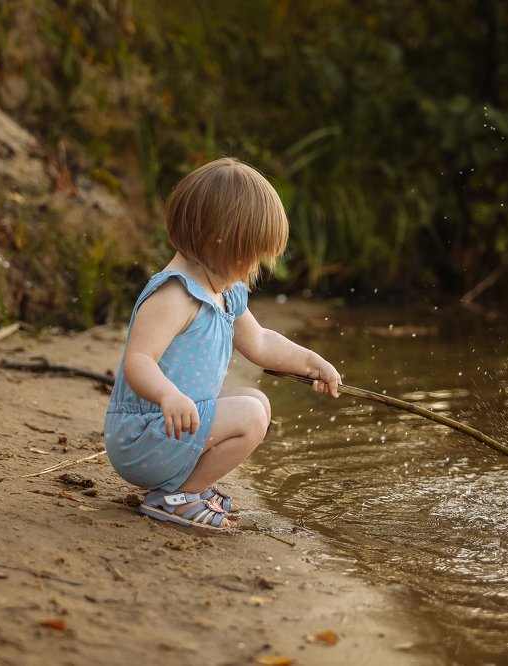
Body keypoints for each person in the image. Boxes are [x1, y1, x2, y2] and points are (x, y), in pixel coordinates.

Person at [104, 157, 341, 530]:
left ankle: (191, 488)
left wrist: (312, 362)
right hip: (144, 437)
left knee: (257, 401)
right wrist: (168, 395)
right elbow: (139, 360)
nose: (252, 269)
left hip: (174, 431)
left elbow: (260, 341)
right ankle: (176, 497)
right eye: (250, 257)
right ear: (220, 243)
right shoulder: (174, 296)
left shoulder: (224, 293)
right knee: (250, 416)